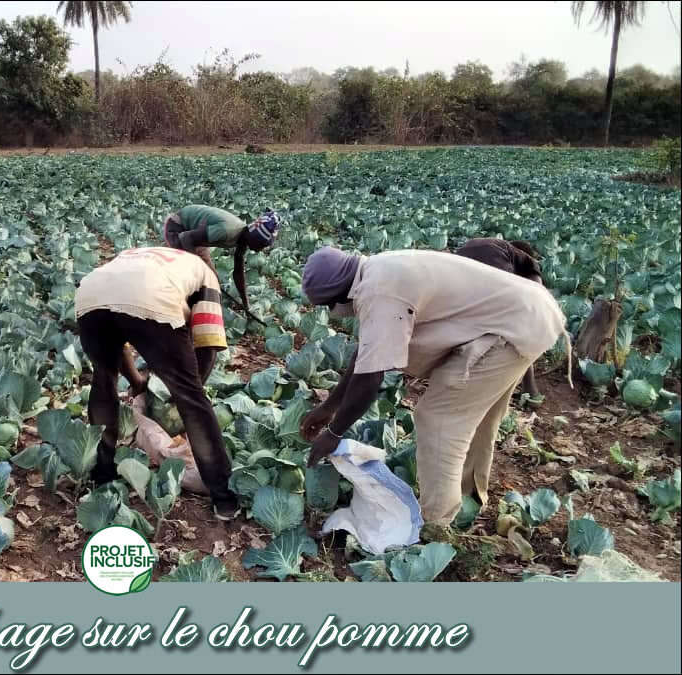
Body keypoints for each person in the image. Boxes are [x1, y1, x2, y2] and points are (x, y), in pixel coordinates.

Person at [297, 246, 567, 528]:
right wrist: (329, 407)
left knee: (439, 418)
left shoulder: (380, 293)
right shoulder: (377, 268)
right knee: (477, 414)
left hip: (510, 329)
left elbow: (370, 380)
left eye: (330, 305)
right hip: (523, 316)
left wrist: (334, 431)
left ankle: (437, 522)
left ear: (340, 294)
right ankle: (468, 492)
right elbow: (364, 357)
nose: (334, 312)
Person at [74, 246, 240, 521]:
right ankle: (224, 498)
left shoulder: (145, 256)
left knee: (103, 381)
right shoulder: (207, 276)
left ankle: (101, 475)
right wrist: (188, 390)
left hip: (91, 293)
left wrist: (137, 381)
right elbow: (208, 345)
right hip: (152, 297)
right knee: (192, 399)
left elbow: (120, 328)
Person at [454, 237, 544, 398]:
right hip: (491, 271)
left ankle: (458, 372)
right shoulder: (527, 261)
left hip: (457, 264)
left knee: (466, 321)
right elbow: (537, 294)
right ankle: (530, 389)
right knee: (517, 332)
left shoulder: (496, 247)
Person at [162, 205, 281, 312]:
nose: (260, 250)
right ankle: (175, 311)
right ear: (255, 239)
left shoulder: (244, 238)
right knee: (192, 280)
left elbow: (238, 273)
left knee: (212, 281)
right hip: (178, 229)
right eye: (262, 246)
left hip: (196, 238)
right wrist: (196, 266)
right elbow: (185, 238)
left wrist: (245, 304)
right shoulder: (227, 231)